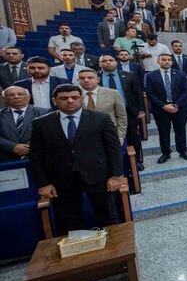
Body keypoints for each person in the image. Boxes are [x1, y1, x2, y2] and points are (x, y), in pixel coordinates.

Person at [30, 84, 123, 234]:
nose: (70, 101)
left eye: (74, 97)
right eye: (64, 98)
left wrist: (116, 176)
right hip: (62, 179)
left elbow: (113, 149)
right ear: (54, 101)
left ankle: (116, 248)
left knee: (108, 217)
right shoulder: (41, 123)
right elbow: (36, 156)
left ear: (81, 98)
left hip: (98, 177)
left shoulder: (101, 119)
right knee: (69, 222)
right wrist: (43, 183)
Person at [98, 54, 144, 170]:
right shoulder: (96, 77)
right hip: (105, 114)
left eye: (111, 60)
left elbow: (138, 93)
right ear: (99, 64)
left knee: (133, 136)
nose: (108, 62)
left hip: (128, 112)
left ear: (116, 62)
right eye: (104, 61)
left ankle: (135, 161)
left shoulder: (129, 75)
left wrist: (141, 110)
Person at [145, 54, 187, 163]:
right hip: (161, 109)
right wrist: (163, 106)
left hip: (179, 108)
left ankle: (182, 150)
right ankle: (166, 153)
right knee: (163, 132)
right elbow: (150, 93)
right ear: (158, 61)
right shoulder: (150, 76)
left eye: (169, 60)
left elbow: (186, 91)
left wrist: (176, 105)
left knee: (180, 130)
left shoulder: (181, 74)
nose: (166, 61)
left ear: (172, 62)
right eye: (163, 60)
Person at [77, 69, 127, 142]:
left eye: (90, 78)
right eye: (82, 78)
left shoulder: (113, 93)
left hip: (110, 135)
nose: (86, 80)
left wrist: (120, 136)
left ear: (98, 79)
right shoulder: (73, 96)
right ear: (78, 80)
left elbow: (122, 116)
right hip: (83, 137)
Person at [0, 86, 48, 162]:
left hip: (39, 157)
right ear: (3, 99)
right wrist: (12, 146)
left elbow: (49, 133)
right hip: (6, 159)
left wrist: (28, 147)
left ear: (29, 97)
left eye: (20, 94)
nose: (16, 97)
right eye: (11, 95)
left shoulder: (45, 112)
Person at [170, 40, 187, 126]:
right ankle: (177, 119)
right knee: (176, 102)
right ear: (172, 47)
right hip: (174, 85)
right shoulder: (169, 58)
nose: (178, 48)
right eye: (176, 46)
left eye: (180, 46)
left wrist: (186, 77)